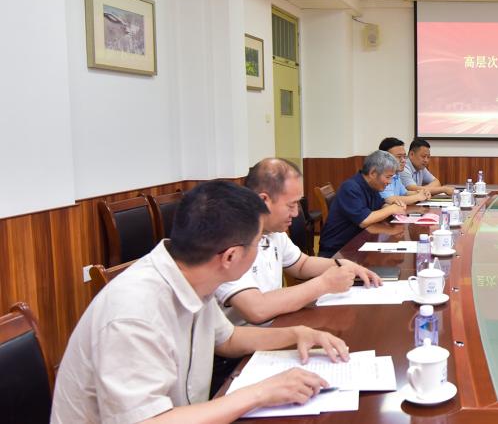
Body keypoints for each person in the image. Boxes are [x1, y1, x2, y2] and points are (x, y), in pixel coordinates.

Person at [51, 181, 349, 423]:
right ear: (231, 256)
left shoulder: (192, 274)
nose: (261, 249)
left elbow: (227, 338)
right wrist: (260, 393)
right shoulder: (134, 313)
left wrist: (296, 334)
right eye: (258, 242)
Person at [215, 158, 382, 326]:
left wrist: (342, 264)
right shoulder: (228, 240)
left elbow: (301, 264)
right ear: (264, 201)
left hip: (276, 323)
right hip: (247, 337)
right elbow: (257, 309)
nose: (296, 213)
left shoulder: (273, 232)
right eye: (291, 205)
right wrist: (324, 283)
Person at [319, 150, 407, 258]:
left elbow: (380, 205)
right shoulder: (350, 188)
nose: (390, 182)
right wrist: (391, 210)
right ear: (373, 173)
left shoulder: (372, 185)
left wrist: (393, 207)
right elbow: (364, 221)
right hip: (338, 251)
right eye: (388, 177)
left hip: (358, 245)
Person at [378, 137, 431, 206]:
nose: (403, 160)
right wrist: (417, 197)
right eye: (399, 157)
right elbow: (390, 199)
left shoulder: (396, 174)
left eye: (404, 157)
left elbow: (405, 193)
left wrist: (421, 193)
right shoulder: (380, 174)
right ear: (384, 158)